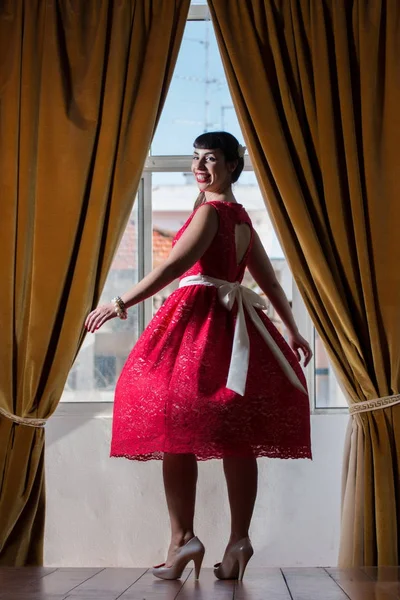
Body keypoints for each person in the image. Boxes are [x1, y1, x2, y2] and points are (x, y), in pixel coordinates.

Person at [85, 131, 313, 582]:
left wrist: (117, 305)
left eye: (210, 160)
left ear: (231, 166)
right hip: (231, 333)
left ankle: (183, 538)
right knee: (236, 438)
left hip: (199, 330)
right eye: (196, 159)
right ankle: (238, 541)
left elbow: (171, 268)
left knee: (173, 424)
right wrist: (291, 330)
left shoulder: (210, 211)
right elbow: (265, 281)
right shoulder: (240, 217)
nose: (199, 167)